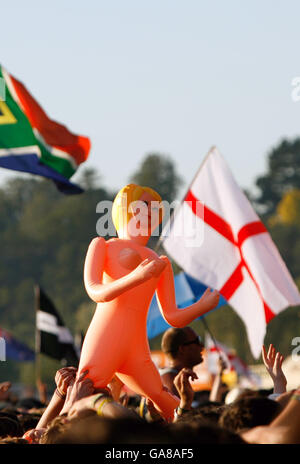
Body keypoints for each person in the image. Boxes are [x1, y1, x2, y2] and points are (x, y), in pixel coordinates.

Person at [77, 184, 220, 420]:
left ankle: (200, 434)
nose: (150, 213)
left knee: (161, 396)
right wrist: (137, 277)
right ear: (124, 209)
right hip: (105, 338)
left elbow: (172, 316)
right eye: (143, 206)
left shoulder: (159, 261)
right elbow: (95, 291)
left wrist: (202, 305)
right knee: (84, 393)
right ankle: (38, 435)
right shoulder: (103, 245)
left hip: (136, 349)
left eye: (156, 209)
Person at [160, 327, 204, 397]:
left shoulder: (169, 377)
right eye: (197, 341)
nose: (202, 346)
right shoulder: (172, 384)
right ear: (182, 349)